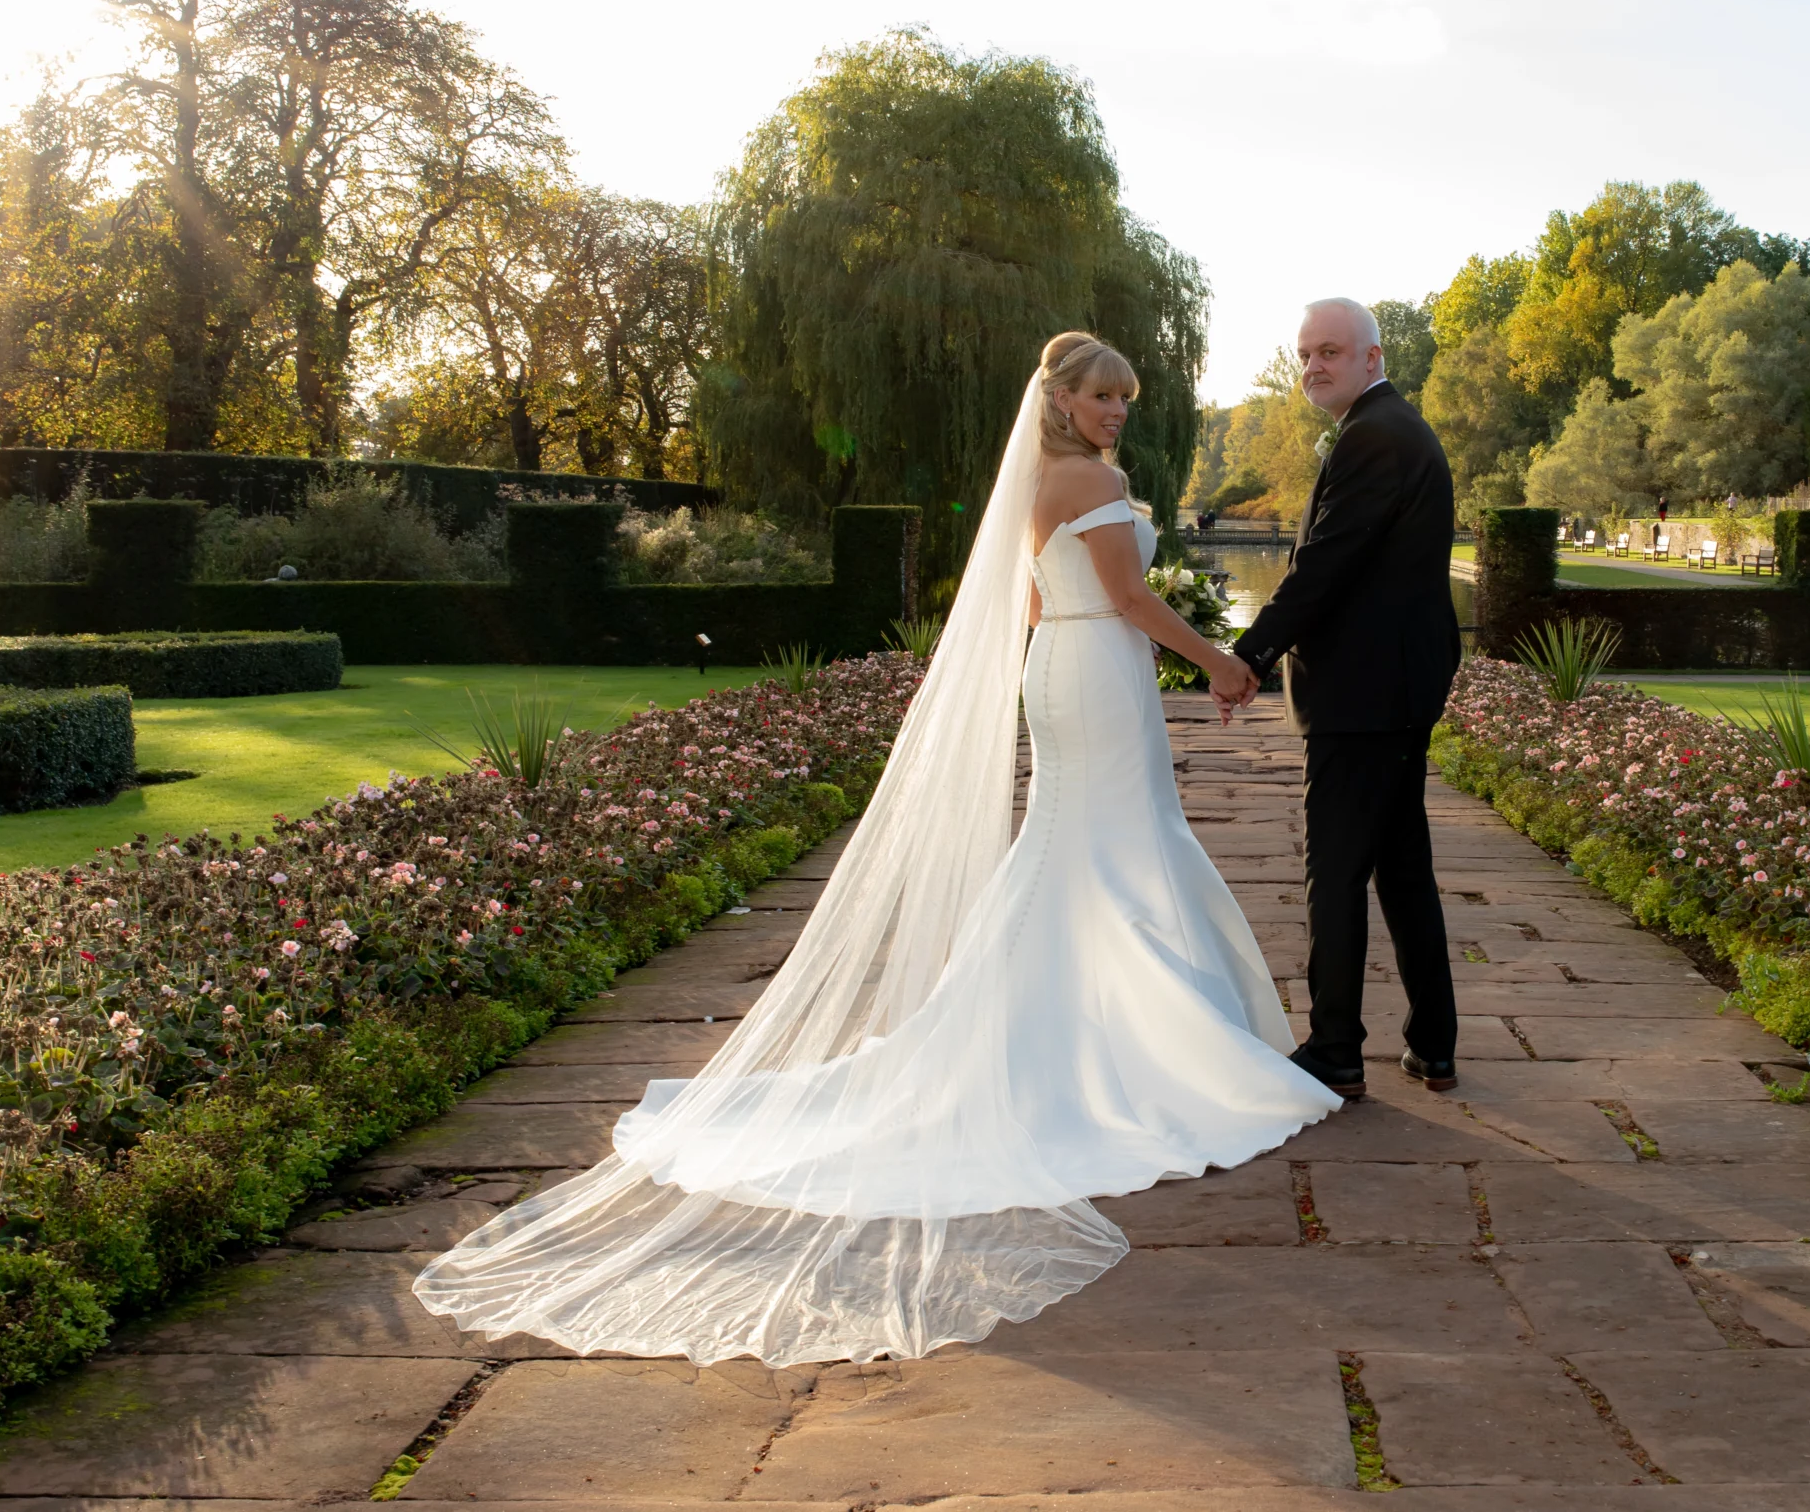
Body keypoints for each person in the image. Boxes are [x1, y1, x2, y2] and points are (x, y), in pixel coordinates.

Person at [412, 333, 1336, 1365]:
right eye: (1101, 395)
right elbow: (1128, 597)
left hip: (1066, 666)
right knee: (1107, 848)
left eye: (1126, 396)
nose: (1118, 410)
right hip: (1099, 670)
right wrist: (1219, 662)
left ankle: (1056, 1030)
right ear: (1062, 400)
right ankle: (1119, 1046)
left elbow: (1035, 600)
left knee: (1084, 849)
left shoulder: (1039, 480)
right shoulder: (1089, 479)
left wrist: (1082, 651)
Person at [1225, 299, 1462, 1099]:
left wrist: (1248, 655)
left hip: (1365, 693)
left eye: (1330, 350)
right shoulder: (1387, 427)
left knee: (1334, 870)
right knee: (1402, 868)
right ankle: (1432, 1042)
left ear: (1372, 356)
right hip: (1391, 687)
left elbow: (1322, 567)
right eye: (1305, 354)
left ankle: (1335, 1049)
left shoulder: (1375, 435)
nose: (1312, 366)